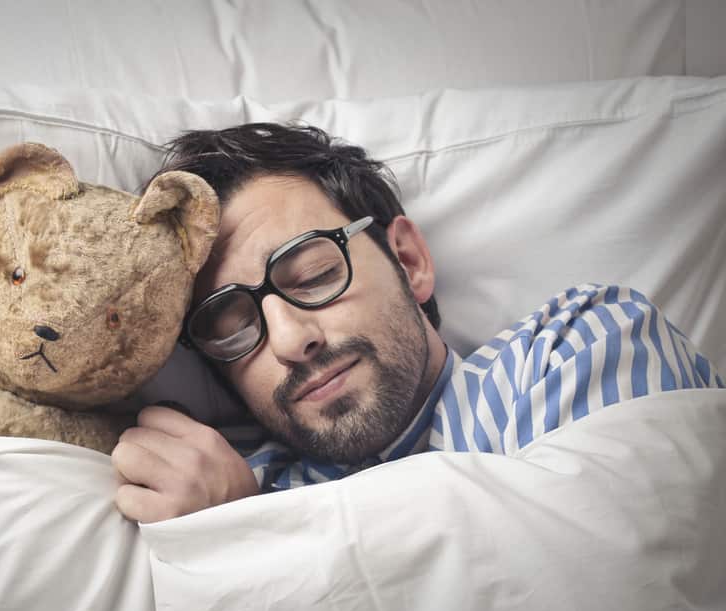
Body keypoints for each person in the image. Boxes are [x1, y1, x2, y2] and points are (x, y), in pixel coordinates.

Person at [110, 122, 724, 524]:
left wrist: (252, 542)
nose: (294, 341)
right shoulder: (221, 487)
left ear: (409, 260)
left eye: (315, 274)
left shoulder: (581, 344)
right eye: (231, 325)